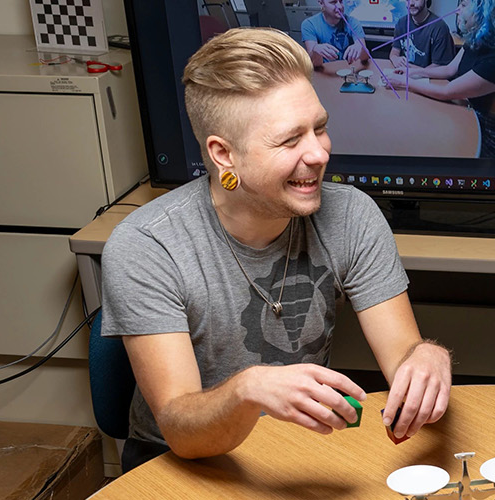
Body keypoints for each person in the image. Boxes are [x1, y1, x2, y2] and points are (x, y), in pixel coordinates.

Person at [100, 28, 451, 472]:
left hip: (297, 450)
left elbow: (405, 354)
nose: (320, 154)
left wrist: (427, 356)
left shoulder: (352, 215)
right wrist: (247, 390)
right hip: (177, 462)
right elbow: (180, 428)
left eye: (319, 128)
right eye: (290, 140)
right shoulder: (147, 246)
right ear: (223, 154)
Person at [385, 0, 495, 159]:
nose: (458, 10)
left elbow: (447, 92)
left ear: (487, 12)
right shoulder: (478, 39)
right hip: (472, 114)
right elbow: (448, 69)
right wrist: (413, 73)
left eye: (465, 5)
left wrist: (403, 83)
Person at [388, 0, 457, 74]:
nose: (411, 3)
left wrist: (413, 72)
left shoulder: (439, 28)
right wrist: (395, 59)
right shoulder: (402, 22)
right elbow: (394, 51)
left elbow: (439, 67)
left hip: (428, 79)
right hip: (406, 75)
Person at [299, 0, 369, 65]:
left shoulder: (353, 22)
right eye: (333, 2)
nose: (340, 6)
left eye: (341, 1)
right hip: (325, 71)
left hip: (349, 70)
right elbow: (314, 64)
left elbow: (366, 57)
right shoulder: (310, 24)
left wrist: (361, 49)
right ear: (321, 3)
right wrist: (316, 50)